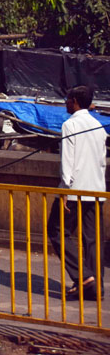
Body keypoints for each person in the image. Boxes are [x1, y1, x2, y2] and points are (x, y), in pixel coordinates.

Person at [49, 85, 107, 301]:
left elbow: (68, 160)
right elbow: (101, 161)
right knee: (92, 239)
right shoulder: (98, 126)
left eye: (67, 99)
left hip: (74, 190)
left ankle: (83, 276)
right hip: (96, 190)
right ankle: (95, 288)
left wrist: (64, 190)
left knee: (56, 230)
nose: (65, 103)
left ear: (74, 101)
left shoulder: (70, 124)